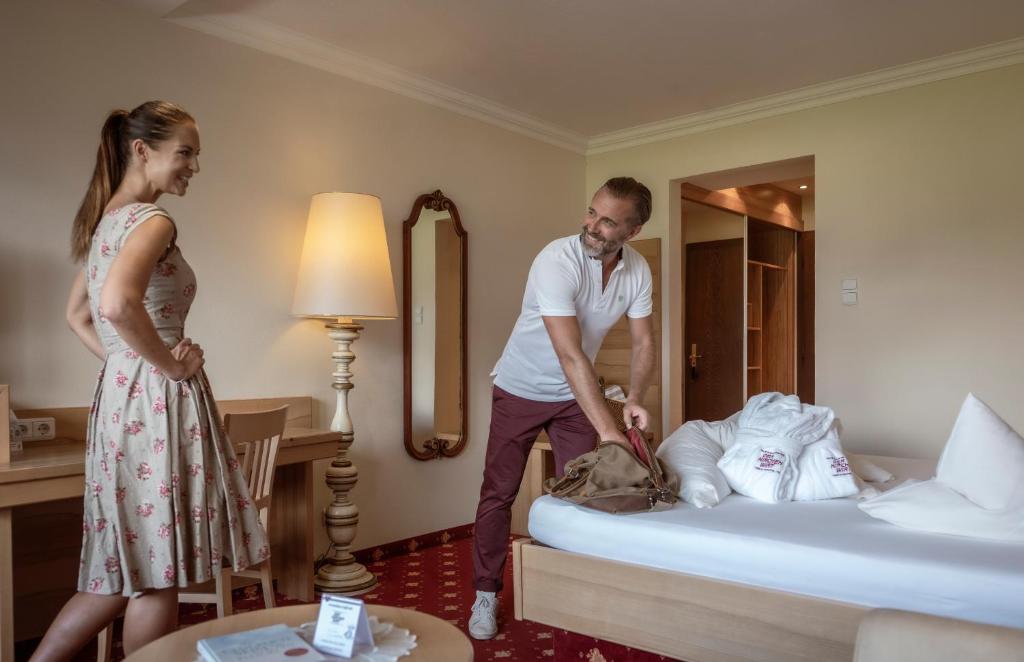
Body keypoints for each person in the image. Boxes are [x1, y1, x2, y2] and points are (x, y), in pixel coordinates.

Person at [31, 101, 270, 660]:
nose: (193, 166)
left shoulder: (105, 224)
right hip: (157, 404)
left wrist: (126, 368)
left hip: (122, 402)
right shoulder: (152, 220)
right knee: (159, 571)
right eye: (184, 152)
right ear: (143, 150)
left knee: (119, 570)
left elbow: (79, 316)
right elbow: (114, 305)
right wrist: (168, 366)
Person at [468, 177, 656, 639]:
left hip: (574, 397)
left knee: (584, 494)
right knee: (499, 492)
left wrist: (633, 398)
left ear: (631, 232)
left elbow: (644, 340)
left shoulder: (638, 271)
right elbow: (570, 354)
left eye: (607, 220)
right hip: (520, 389)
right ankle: (485, 594)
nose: (591, 225)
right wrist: (609, 431)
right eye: (592, 212)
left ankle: (569, 587)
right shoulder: (556, 259)